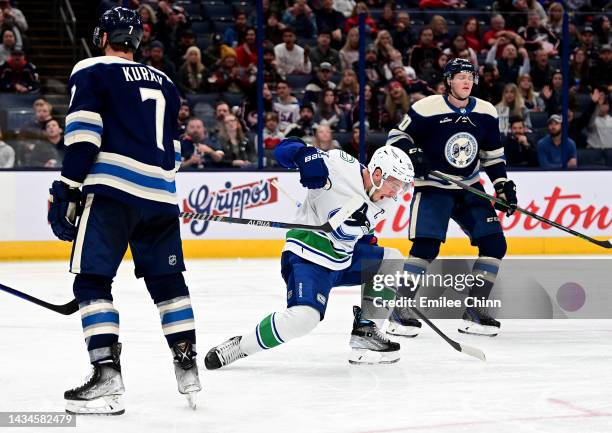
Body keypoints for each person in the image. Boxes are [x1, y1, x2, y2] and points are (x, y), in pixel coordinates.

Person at [46, 7, 201, 415]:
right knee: (169, 283)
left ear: (103, 37)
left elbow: (83, 137)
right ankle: (187, 366)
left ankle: (106, 374)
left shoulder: (92, 69)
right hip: (162, 199)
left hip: (113, 193)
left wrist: (67, 187)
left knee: (92, 283)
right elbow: (175, 153)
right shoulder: (166, 82)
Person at [204, 140, 414, 369]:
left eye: (401, 186)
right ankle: (240, 347)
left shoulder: (386, 201)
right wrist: (305, 155)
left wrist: (370, 246)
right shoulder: (339, 166)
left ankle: (366, 334)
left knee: (391, 259)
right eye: (394, 183)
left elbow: (362, 233)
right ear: (377, 173)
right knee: (304, 319)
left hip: (343, 259)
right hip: (309, 255)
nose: (396, 192)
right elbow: (284, 150)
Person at [384, 58, 518, 337]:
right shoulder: (426, 108)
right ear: (448, 81)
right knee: (426, 247)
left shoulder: (486, 111)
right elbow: (396, 137)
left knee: (495, 244)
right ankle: (400, 310)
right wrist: (412, 153)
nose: (466, 81)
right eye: (460, 76)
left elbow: (492, 156)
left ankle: (475, 310)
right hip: (433, 186)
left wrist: (502, 185)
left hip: (469, 185)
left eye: (470, 76)